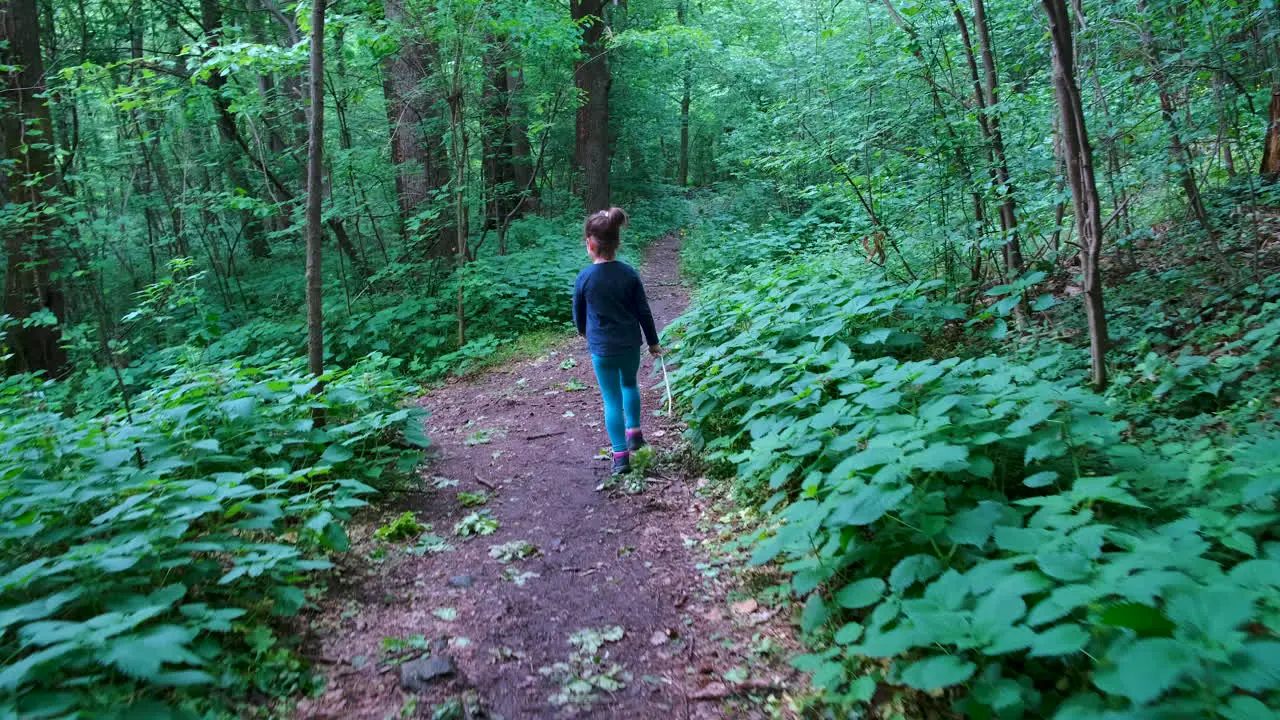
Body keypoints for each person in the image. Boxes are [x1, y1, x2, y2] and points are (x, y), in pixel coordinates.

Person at [572, 207, 665, 476]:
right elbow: (643, 311)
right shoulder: (628, 273)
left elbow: (578, 312)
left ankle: (620, 456)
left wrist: (583, 331)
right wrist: (653, 342)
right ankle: (635, 433)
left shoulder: (584, 277)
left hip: (602, 348)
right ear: (618, 242)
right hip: (629, 345)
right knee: (630, 384)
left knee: (611, 400)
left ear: (590, 244)